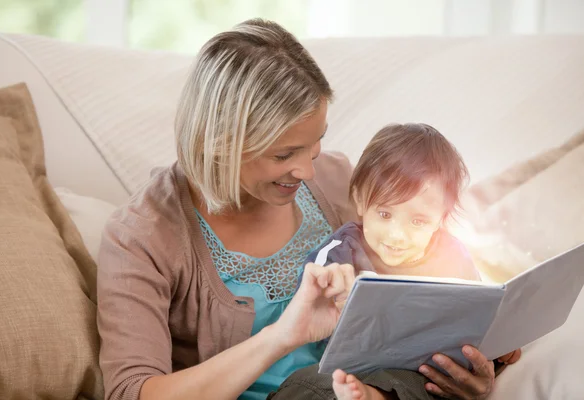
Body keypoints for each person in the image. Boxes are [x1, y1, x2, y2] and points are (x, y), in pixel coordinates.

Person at [96, 19, 499, 400]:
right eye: (285, 153)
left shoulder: (339, 180)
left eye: (316, 141)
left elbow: (432, 266)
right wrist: (281, 335)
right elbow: (132, 392)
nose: (307, 169)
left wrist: (465, 367)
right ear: (217, 143)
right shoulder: (142, 236)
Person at [296, 123, 521, 400]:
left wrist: (498, 344)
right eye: (385, 215)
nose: (397, 235)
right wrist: (336, 301)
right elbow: (307, 309)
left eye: (418, 221)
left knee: (446, 371)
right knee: (315, 384)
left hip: (421, 372)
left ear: (441, 218)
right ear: (360, 200)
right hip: (353, 370)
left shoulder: (452, 255)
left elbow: (474, 316)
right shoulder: (341, 253)